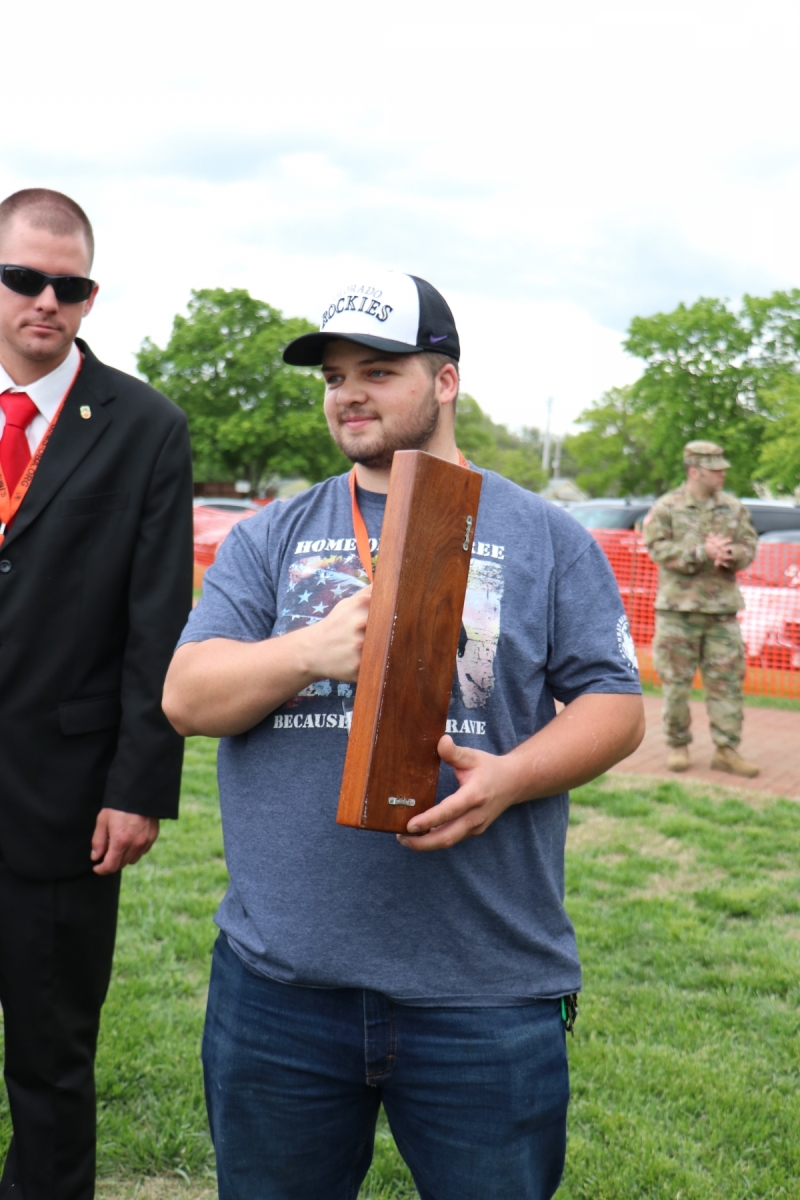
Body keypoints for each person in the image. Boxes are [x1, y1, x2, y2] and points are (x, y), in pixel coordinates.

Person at [163, 271, 644, 1200]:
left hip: (486, 989)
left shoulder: (547, 536)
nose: (349, 393)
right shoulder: (270, 537)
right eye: (334, 376)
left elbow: (614, 704)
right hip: (281, 988)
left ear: (446, 380)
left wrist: (513, 775)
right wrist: (310, 650)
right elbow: (186, 698)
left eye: (378, 371)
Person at [0, 189, 193, 1199]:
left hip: (66, 806)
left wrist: (137, 787)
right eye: (23, 278)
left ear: (90, 296)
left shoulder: (147, 427)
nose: (47, 300)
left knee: (51, 1062)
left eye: (68, 286)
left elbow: (157, 624)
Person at [643, 440, 758, 776]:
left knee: (727, 683)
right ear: (695, 471)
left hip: (721, 612)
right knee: (676, 684)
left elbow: (749, 544)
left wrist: (731, 554)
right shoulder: (667, 507)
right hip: (678, 612)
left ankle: (726, 749)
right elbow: (657, 549)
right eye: (714, 469)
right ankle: (678, 744)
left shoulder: (733, 508)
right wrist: (701, 553)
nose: (722, 474)